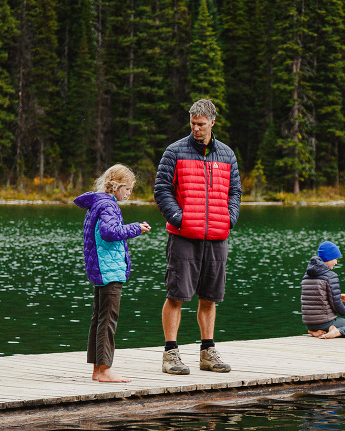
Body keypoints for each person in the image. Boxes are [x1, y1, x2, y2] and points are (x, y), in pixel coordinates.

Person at [154, 99, 242, 374]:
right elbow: (161, 190)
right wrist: (179, 218)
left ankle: (207, 352)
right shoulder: (174, 151)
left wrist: (229, 218)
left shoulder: (227, 155)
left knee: (210, 297)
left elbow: (235, 193)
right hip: (183, 236)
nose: (196, 129)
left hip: (217, 236)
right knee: (176, 294)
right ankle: (171, 354)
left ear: (212, 123)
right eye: (193, 124)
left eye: (201, 125)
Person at [74, 164, 150, 382]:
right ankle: (105, 369)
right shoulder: (108, 205)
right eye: (127, 188)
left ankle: (98, 370)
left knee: (99, 318)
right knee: (108, 319)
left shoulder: (98, 203)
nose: (129, 193)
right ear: (116, 186)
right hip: (110, 269)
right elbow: (110, 233)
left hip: (101, 269)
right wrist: (136, 228)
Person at [301, 241, 345, 339]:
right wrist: (344, 311)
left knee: (320, 323)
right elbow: (336, 304)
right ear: (328, 258)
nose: (336, 262)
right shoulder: (331, 276)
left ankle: (313, 331)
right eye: (335, 259)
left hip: (309, 323)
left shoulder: (307, 275)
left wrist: (339, 296)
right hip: (324, 322)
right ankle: (336, 332)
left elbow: (315, 296)